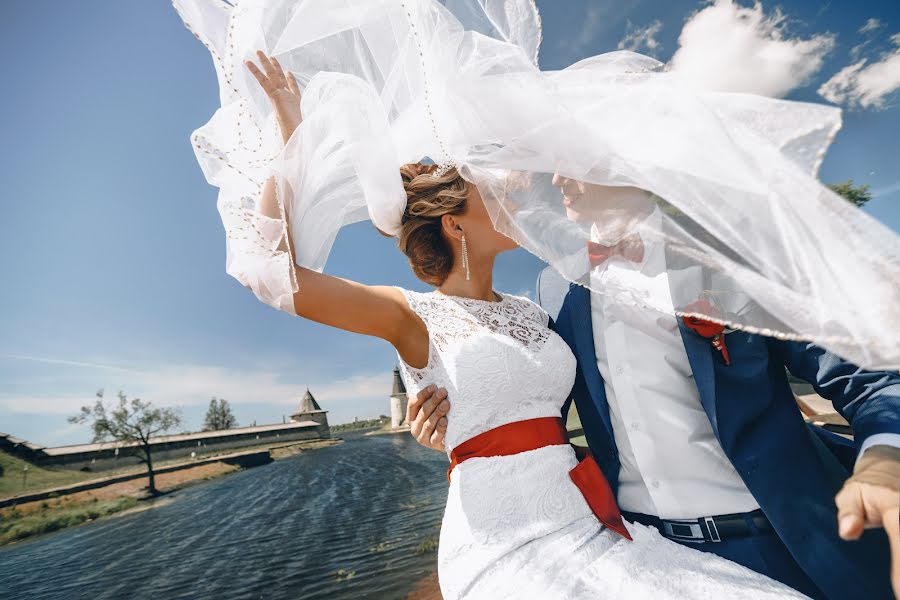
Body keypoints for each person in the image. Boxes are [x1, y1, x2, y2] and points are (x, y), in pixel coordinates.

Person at [235, 50, 811, 599]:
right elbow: (268, 273)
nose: (518, 193)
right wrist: (294, 139)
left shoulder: (539, 308)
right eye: (492, 188)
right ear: (454, 221)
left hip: (588, 520)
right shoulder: (410, 314)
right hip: (503, 542)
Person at [408, 178, 900, 600]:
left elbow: (868, 376)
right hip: (648, 557)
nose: (556, 179)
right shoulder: (552, 291)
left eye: (574, 159)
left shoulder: (726, 257)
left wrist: (883, 460)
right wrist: (454, 425)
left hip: (791, 537)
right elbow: (533, 402)